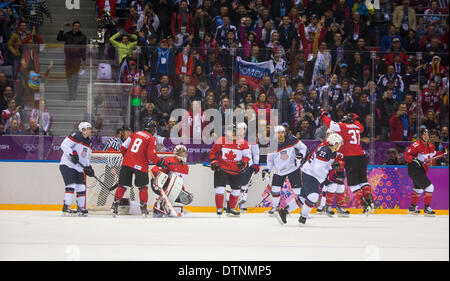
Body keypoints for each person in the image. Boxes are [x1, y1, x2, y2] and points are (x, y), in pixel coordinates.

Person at [275, 133, 344, 225]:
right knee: (313, 196)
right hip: (311, 173)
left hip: (311, 173)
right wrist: (325, 180)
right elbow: (318, 168)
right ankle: (303, 217)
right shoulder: (325, 151)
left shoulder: (330, 151)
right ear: (334, 143)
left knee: (303, 197)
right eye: (338, 143)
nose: (339, 145)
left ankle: (285, 211)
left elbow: (323, 165)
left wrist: (332, 168)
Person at [321, 110, 375, 215]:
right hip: (361, 156)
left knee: (353, 184)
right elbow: (359, 122)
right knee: (363, 180)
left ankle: (364, 205)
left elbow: (330, 124)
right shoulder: (357, 126)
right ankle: (370, 201)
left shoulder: (343, 126)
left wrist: (323, 115)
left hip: (350, 157)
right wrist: (354, 116)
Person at [110, 121, 166, 217]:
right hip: (141, 165)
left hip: (126, 163)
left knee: (122, 186)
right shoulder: (151, 139)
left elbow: (122, 147)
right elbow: (151, 155)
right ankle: (143, 208)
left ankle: (114, 206)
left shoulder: (135, 134)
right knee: (143, 187)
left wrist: (127, 158)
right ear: (153, 130)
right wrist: (160, 161)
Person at [263, 125, 307, 214]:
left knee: (297, 190)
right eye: (278, 133)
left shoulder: (292, 139)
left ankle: (304, 210)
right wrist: (268, 169)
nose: (281, 135)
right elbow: (270, 160)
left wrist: (300, 156)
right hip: (279, 171)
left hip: (293, 168)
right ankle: (275, 207)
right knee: (275, 189)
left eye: (282, 133)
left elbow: (303, 148)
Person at [209, 124, 251, 216]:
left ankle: (231, 208)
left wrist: (243, 162)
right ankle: (219, 208)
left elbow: (247, 156)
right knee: (220, 188)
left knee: (236, 191)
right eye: (231, 131)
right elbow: (212, 152)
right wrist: (214, 162)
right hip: (222, 169)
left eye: (235, 131)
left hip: (236, 171)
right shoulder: (221, 140)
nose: (233, 133)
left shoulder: (243, 143)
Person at [404, 128, 447, 216]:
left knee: (418, 189)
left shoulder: (431, 146)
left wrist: (443, 152)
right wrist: (413, 160)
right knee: (429, 187)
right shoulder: (416, 145)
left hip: (421, 170)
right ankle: (427, 208)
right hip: (414, 170)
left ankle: (412, 208)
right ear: (421, 136)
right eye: (424, 134)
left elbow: (433, 155)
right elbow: (406, 155)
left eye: (427, 134)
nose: (426, 136)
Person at [59, 122, 95, 216]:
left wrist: (89, 167)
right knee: (71, 185)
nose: (90, 130)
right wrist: (71, 154)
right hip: (67, 165)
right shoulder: (75, 136)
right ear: (83, 130)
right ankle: (66, 207)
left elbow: (86, 158)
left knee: (81, 187)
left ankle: (81, 208)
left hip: (78, 168)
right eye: (88, 128)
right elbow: (64, 145)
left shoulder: (89, 142)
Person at [150, 145, 193, 217]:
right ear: (176, 153)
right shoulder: (169, 160)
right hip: (160, 185)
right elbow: (154, 171)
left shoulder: (186, 167)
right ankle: (158, 208)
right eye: (182, 153)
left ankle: (168, 209)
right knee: (172, 183)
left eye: (184, 153)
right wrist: (158, 182)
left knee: (186, 196)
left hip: (172, 188)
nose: (184, 155)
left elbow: (179, 182)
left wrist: (182, 191)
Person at [57, 21, 87, 101]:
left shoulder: (82, 37)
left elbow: (84, 50)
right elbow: (59, 38)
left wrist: (84, 61)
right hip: (68, 59)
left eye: (78, 26)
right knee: (69, 78)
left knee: (74, 78)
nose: (76, 27)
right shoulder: (67, 34)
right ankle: (71, 93)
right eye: (75, 25)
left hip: (76, 60)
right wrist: (62, 28)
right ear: (73, 26)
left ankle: (73, 95)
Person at [235, 122, 260, 213]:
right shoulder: (233, 139)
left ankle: (243, 203)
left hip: (247, 165)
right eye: (240, 129)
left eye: (244, 129)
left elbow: (256, 153)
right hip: (234, 165)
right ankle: (229, 203)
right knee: (231, 185)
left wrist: (256, 164)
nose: (242, 131)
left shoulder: (252, 139)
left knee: (244, 185)